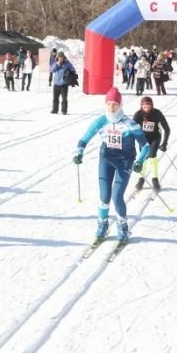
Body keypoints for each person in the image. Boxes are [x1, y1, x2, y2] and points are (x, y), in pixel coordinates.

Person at [73, 88, 150, 242]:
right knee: (104, 196)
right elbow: (84, 139)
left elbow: (146, 146)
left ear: (120, 104)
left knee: (117, 196)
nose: (111, 107)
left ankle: (122, 226)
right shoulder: (101, 121)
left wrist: (140, 161)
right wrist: (79, 152)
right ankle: (102, 224)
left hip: (124, 161)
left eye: (115, 104)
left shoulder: (130, 124)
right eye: (108, 104)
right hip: (106, 159)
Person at [131, 96, 171, 193]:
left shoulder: (157, 113)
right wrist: (131, 147)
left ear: (152, 106)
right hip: (143, 139)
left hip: (155, 138)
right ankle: (141, 179)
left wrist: (164, 143)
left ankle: (155, 179)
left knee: (152, 155)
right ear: (141, 106)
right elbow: (131, 130)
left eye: (148, 106)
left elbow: (167, 129)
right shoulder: (138, 115)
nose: (147, 108)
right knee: (143, 157)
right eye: (144, 106)